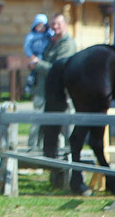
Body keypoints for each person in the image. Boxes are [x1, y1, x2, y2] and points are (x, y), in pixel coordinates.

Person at [27, 13, 77, 151]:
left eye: (58, 24)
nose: (55, 27)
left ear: (66, 25)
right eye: (53, 24)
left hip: (62, 94)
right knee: (39, 123)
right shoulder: (51, 41)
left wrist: (37, 64)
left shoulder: (67, 44)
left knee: (64, 127)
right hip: (45, 91)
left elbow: (58, 69)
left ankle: (68, 156)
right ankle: (34, 154)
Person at [22, 14, 52, 96]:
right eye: (38, 26)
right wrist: (31, 56)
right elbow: (27, 47)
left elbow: (52, 36)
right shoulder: (31, 36)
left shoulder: (47, 34)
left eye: (42, 26)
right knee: (35, 67)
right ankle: (30, 81)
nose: (40, 28)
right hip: (36, 55)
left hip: (45, 54)